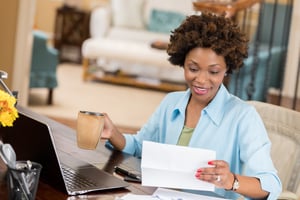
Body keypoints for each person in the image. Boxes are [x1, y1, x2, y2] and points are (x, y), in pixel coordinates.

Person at [101, 12, 282, 199]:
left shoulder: (243, 116)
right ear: (182, 63)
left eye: (213, 71)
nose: (201, 80)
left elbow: (271, 186)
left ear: (227, 68)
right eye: (193, 69)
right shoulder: (171, 103)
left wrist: (231, 181)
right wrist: (113, 133)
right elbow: (140, 147)